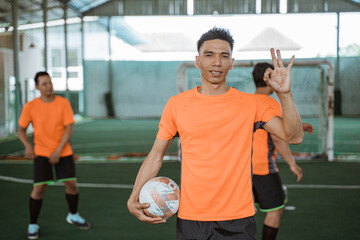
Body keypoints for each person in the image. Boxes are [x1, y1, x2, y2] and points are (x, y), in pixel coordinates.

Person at [127, 27, 304, 240]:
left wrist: (285, 94)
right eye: (209, 55)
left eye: (224, 56)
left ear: (232, 62)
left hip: (239, 219)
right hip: (192, 218)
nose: (217, 62)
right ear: (197, 61)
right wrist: (134, 195)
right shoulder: (177, 105)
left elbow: (294, 136)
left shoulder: (252, 104)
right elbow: (156, 155)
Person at [17, 71, 90, 240]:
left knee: (71, 185)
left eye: (49, 82)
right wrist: (27, 146)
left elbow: (69, 128)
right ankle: (33, 224)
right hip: (41, 153)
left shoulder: (63, 103)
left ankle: (73, 215)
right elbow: (21, 130)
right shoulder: (30, 106)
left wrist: (58, 150)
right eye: (44, 84)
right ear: (37, 87)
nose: (48, 86)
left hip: (63, 151)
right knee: (39, 188)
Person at [251, 62, 314, 240]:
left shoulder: (245, 101)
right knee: (275, 210)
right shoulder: (270, 103)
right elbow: (278, 137)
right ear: (270, 78)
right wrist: (292, 164)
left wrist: (299, 126)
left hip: (242, 168)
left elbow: (262, 125)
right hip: (263, 169)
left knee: (241, 213)